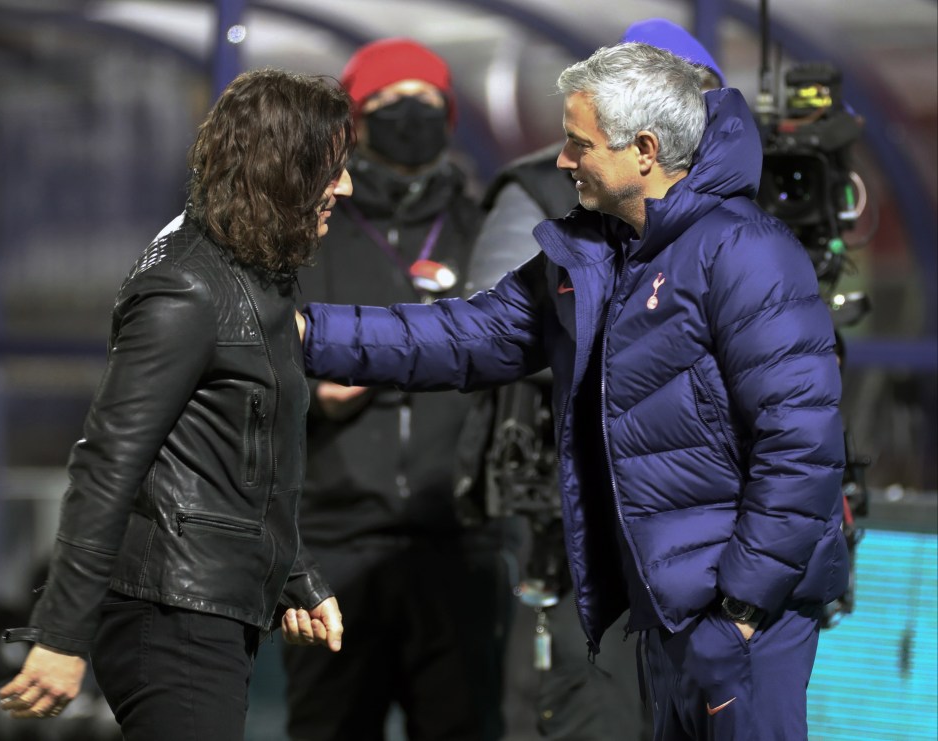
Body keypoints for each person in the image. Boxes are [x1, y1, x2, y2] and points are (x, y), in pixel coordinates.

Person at [297, 42, 849, 741]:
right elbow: (465, 336)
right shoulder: (595, 252)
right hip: (669, 609)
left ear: (643, 150)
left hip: (739, 619)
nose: (561, 160)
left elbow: (800, 447)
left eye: (577, 143)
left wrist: (739, 608)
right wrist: (303, 331)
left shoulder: (744, 253)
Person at [0, 69, 352, 740]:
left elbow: (232, 462)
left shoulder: (254, 271)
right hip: (171, 622)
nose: (346, 187)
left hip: (210, 609)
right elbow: (107, 465)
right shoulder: (187, 287)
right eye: (331, 168)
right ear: (281, 167)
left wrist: (293, 573)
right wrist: (61, 634)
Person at [461, 20, 725, 740]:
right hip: (587, 543)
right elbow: (488, 324)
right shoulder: (548, 193)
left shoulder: (741, 227)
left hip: (713, 576)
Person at [280, 38, 512, 741]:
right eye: (385, 103)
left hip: (459, 541)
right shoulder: (311, 231)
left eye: (424, 101)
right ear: (356, 121)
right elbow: (262, 348)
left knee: (461, 725)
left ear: (446, 117)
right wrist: (310, 395)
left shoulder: (483, 230)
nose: (406, 115)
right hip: (335, 540)